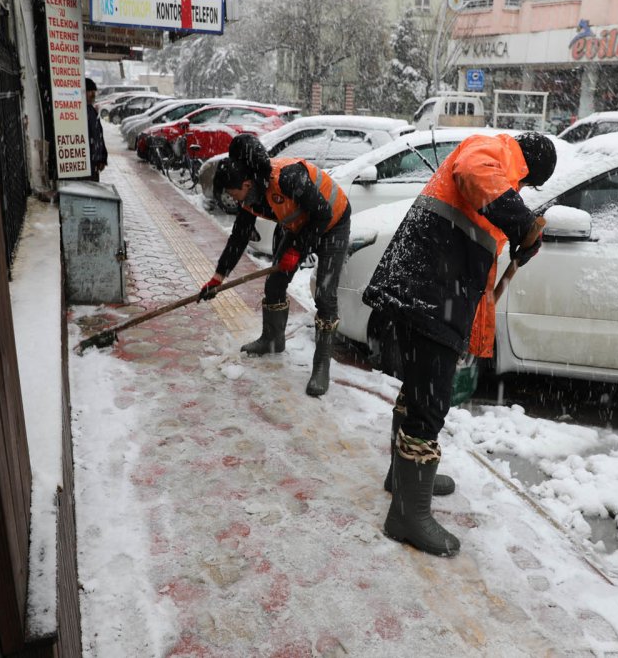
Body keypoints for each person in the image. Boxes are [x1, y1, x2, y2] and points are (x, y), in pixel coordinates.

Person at [362, 132, 557, 557]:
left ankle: (401, 478)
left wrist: (518, 239)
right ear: (530, 171)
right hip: (430, 290)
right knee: (430, 404)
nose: (521, 191)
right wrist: (523, 223)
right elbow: (473, 172)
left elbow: (480, 267)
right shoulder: (494, 154)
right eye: (527, 185)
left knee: (419, 389)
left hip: (426, 287)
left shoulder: (495, 167)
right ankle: (407, 516)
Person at [200, 134, 351, 396]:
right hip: (299, 224)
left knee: (325, 295)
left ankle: (321, 365)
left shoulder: (288, 178)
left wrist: (297, 249)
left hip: (332, 223)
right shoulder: (251, 195)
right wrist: (218, 276)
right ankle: (272, 339)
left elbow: (322, 213)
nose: (233, 199)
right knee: (275, 284)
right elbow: (239, 237)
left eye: (232, 193)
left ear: (246, 183)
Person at [86, 78, 108, 181]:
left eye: (94, 92)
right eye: (90, 91)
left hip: (94, 164)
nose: (93, 95)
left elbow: (99, 135)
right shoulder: (78, 111)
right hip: (86, 165)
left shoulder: (92, 110)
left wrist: (103, 158)